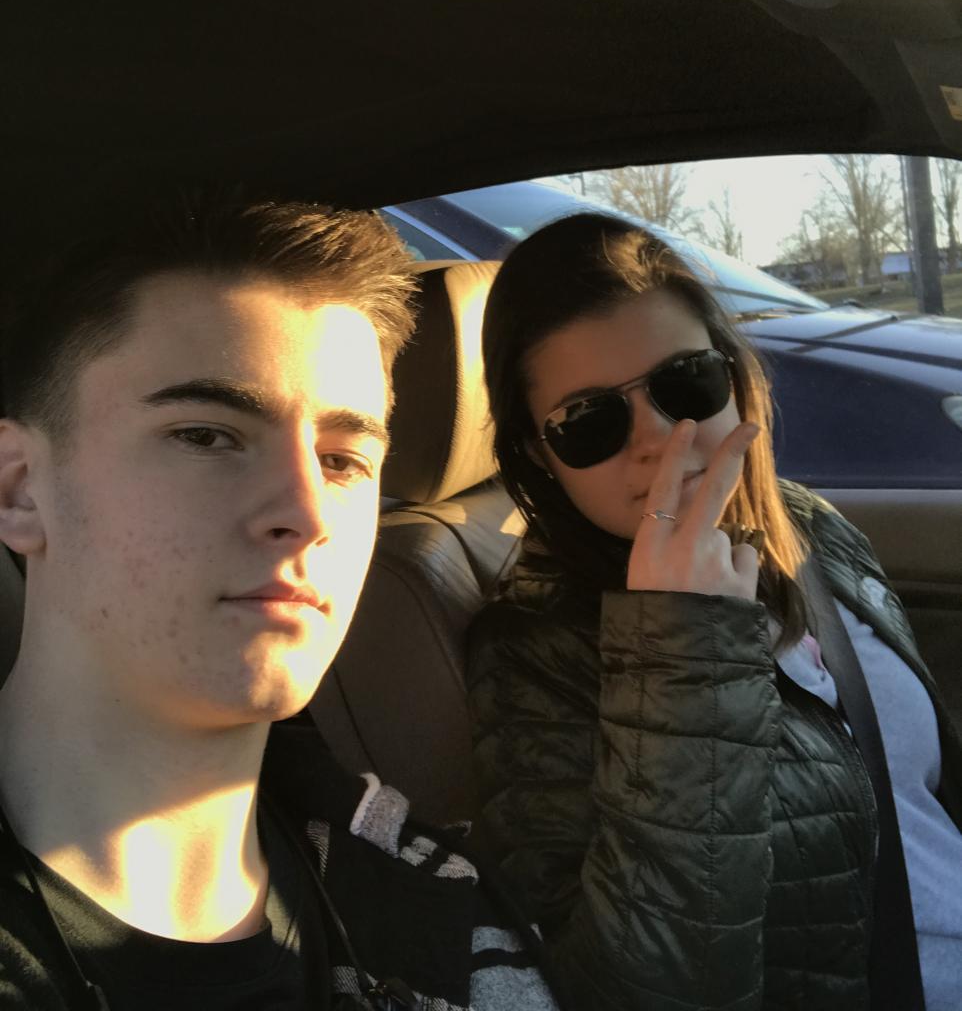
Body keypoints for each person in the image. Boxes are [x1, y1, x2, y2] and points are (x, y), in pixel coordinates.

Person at [0, 192, 558, 1011]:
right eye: (206, 435)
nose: (307, 512)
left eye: (342, 461)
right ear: (19, 489)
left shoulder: (448, 917)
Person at [468, 211, 962, 1011]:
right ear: (540, 456)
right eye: (589, 421)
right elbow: (632, 990)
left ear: (735, 377)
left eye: (686, 382)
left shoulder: (810, 530)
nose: (664, 437)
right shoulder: (531, 653)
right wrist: (682, 654)